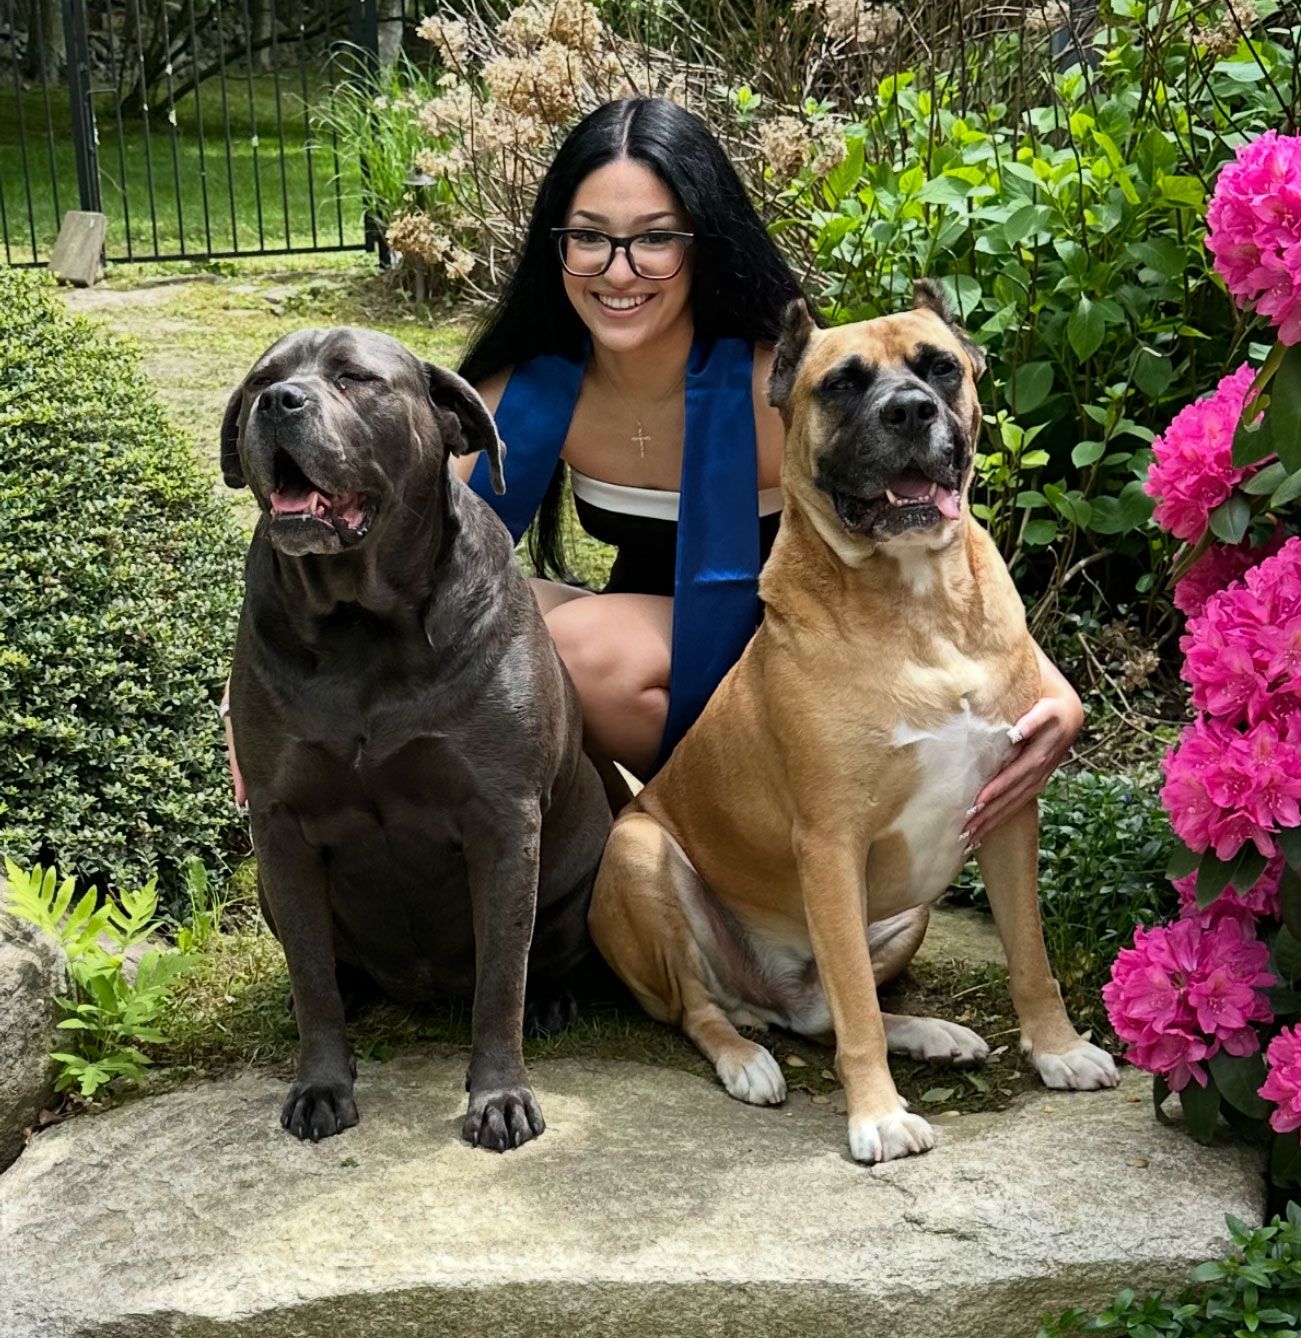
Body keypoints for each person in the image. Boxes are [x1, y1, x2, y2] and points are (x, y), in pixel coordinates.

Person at [226, 96, 1083, 844]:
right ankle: (591, 839)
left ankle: (726, 821)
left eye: (654, 242)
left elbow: (931, 513)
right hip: (652, 652)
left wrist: (1051, 688)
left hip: (813, 654)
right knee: (492, 616)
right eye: (590, 240)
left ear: (702, 243)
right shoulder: (523, 393)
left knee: (565, 644)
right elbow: (393, 536)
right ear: (556, 246)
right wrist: (257, 697)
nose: (618, 272)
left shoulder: (782, 390)